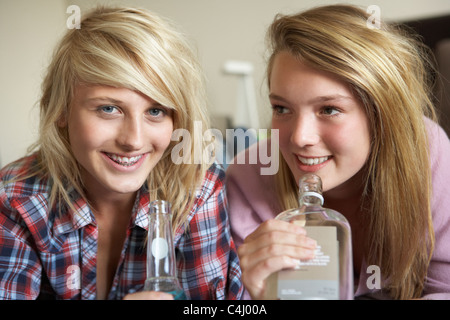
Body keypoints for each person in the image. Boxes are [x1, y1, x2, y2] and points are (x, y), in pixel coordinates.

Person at [0, 6, 243, 300]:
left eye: (156, 111)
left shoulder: (198, 189)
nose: (133, 140)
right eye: (109, 109)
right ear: (62, 110)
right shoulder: (16, 197)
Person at [226, 4, 450, 300]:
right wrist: (253, 296)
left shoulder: (427, 153)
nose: (299, 137)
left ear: (383, 113)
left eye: (329, 109)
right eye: (282, 108)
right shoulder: (249, 177)